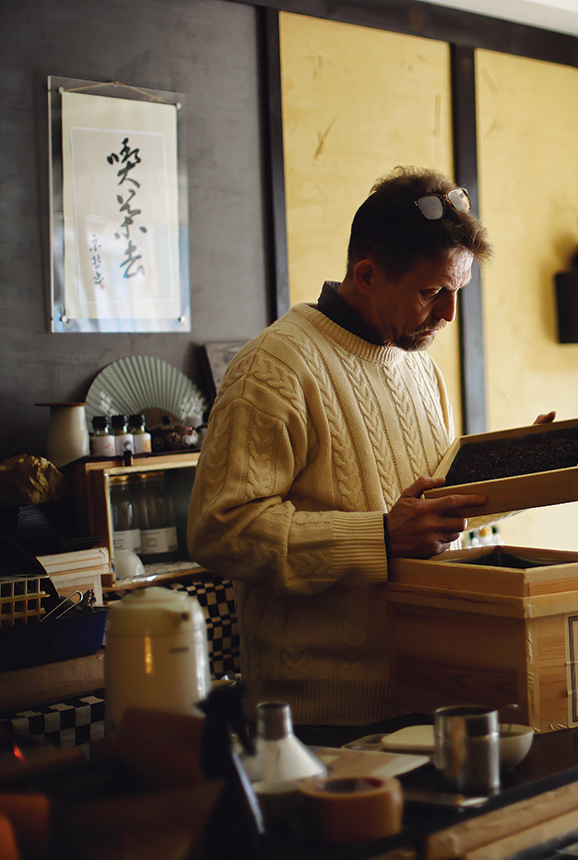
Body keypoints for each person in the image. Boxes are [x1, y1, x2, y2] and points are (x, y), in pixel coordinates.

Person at [189, 166, 521, 726]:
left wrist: (532, 462)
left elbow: (433, 502)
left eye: (457, 292)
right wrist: (382, 536)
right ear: (367, 275)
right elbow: (221, 531)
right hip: (317, 719)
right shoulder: (275, 366)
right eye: (433, 292)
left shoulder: (419, 367)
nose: (448, 315)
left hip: (431, 690)